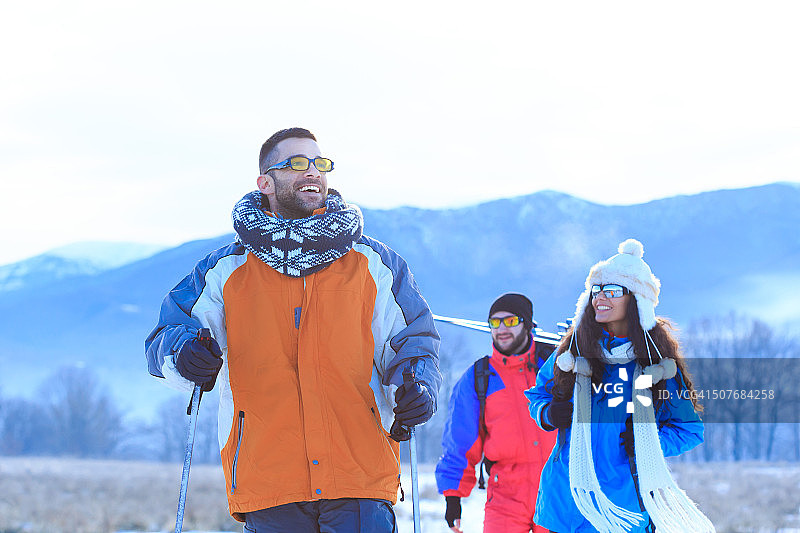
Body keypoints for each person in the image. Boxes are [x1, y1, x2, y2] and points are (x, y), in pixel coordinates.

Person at [145, 127, 442, 532]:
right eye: (298, 163)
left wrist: (417, 388)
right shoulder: (224, 271)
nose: (313, 172)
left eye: (320, 163)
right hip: (269, 480)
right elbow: (165, 337)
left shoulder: (375, 265)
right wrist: (184, 356)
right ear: (265, 183)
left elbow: (415, 343)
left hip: (359, 474)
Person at [525, 239, 714, 533]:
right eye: (596, 290)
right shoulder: (574, 349)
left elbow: (689, 430)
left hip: (623, 508)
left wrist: (647, 441)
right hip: (566, 501)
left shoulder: (658, 365)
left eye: (612, 290)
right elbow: (538, 394)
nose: (600, 297)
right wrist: (547, 413)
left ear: (637, 300)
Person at [435, 293, 557, 533]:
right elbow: (460, 440)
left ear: (527, 324)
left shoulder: (555, 367)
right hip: (506, 498)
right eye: (495, 322)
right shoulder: (478, 378)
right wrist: (453, 497)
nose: (501, 329)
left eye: (510, 321)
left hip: (558, 493)